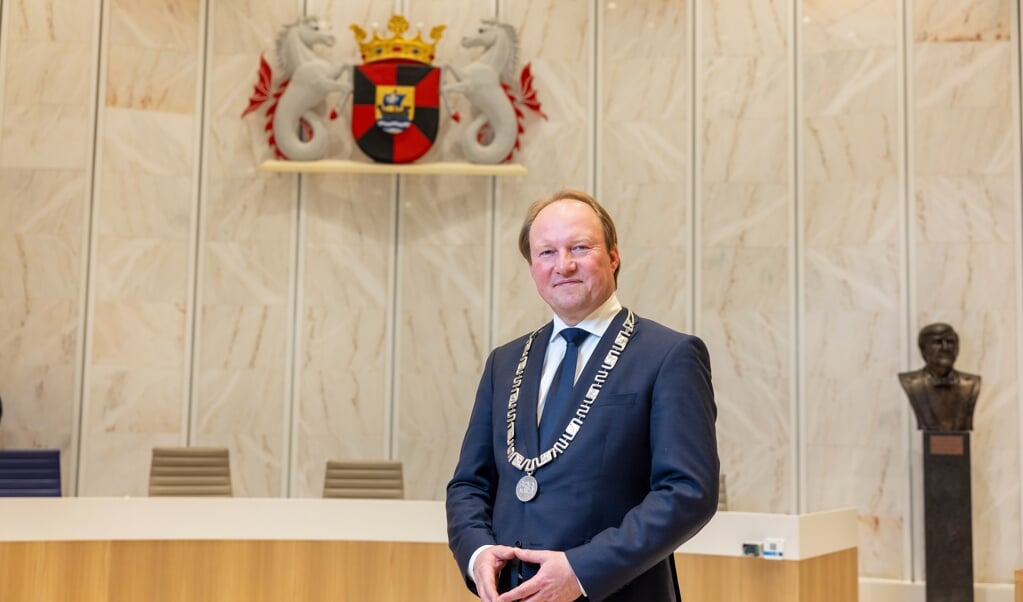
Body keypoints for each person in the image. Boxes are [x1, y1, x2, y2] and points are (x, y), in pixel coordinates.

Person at [446, 189, 719, 602]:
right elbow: (469, 483)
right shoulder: (505, 362)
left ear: (613, 256)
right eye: (547, 253)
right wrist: (477, 552)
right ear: (532, 267)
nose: (564, 265)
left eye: (580, 247)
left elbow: (688, 492)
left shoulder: (669, 355)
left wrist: (582, 571)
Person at [898, 322, 981, 432]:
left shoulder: (971, 383)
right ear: (923, 350)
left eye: (950, 342)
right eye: (937, 342)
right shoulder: (910, 382)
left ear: (957, 348)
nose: (945, 347)